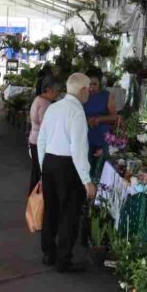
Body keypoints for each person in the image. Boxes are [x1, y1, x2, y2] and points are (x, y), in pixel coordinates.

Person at [37, 73, 96, 273]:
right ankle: (63, 260)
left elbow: (41, 140)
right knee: (69, 213)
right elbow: (78, 149)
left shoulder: (53, 107)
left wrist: (43, 166)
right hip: (68, 166)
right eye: (89, 88)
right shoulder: (77, 112)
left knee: (51, 210)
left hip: (49, 162)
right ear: (83, 90)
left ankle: (48, 253)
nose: (90, 92)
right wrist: (87, 180)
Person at [83, 69, 120, 178]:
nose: (91, 87)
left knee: (101, 172)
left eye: (94, 84)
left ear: (100, 83)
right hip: (85, 139)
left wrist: (99, 119)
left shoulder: (107, 96)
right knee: (85, 172)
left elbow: (115, 117)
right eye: (89, 84)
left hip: (103, 139)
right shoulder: (82, 96)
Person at [28, 76, 62, 193]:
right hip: (40, 142)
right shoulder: (45, 104)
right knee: (40, 173)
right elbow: (46, 126)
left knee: (36, 172)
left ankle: (33, 196)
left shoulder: (39, 99)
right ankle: (37, 198)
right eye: (58, 90)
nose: (59, 93)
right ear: (49, 90)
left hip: (34, 139)